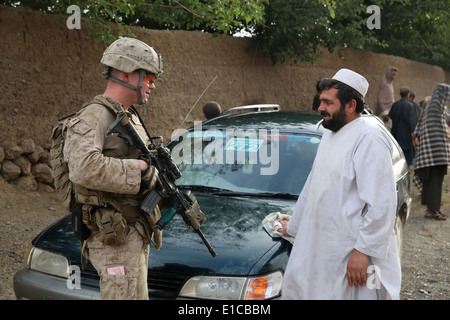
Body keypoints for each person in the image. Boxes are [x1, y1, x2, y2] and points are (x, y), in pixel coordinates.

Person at [279, 68, 401, 300]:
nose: (320, 108)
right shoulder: (331, 131)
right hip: (319, 244)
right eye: (320, 101)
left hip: (348, 252)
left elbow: (381, 203)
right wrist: (294, 227)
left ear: (351, 105)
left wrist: (363, 252)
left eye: (327, 102)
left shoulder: (370, 137)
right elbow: (313, 187)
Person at [63, 37, 164, 299]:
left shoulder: (129, 116)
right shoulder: (95, 116)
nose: (153, 86)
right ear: (125, 73)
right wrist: (139, 169)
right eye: (150, 79)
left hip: (132, 235)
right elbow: (82, 167)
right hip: (113, 239)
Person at [413, 84, 450, 221]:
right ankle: (433, 211)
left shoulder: (432, 108)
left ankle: (431, 209)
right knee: (435, 183)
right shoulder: (435, 108)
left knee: (431, 183)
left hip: (432, 154)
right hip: (435, 154)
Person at [389, 86, 417, 170]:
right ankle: (407, 167)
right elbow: (412, 120)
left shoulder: (395, 104)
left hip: (396, 131)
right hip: (406, 133)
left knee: (397, 148)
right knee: (407, 149)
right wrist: (413, 132)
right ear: (408, 95)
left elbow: (391, 116)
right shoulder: (410, 106)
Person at [376, 66, 398, 130]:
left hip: (389, 111)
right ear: (389, 73)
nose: (394, 77)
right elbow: (380, 99)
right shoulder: (384, 83)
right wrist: (384, 113)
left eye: (395, 75)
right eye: (393, 74)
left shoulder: (390, 83)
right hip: (384, 113)